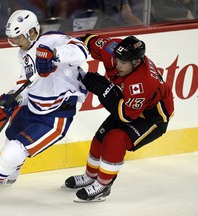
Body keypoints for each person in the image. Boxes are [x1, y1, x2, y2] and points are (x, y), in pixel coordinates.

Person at [0, 9, 89, 206]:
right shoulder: (23, 54)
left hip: (55, 116)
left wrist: (54, 54)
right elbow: (27, 86)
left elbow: (82, 51)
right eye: (12, 39)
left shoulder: (52, 39)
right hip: (33, 109)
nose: (15, 42)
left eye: (18, 37)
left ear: (31, 32)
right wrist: (9, 102)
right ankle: (10, 175)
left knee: (14, 151)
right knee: (11, 137)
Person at [63, 34, 174, 202]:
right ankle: (90, 176)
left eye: (123, 63)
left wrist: (104, 91)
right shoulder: (113, 50)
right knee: (100, 137)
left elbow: (126, 116)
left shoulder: (143, 82)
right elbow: (86, 40)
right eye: (117, 59)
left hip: (153, 118)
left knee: (115, 139)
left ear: (136, 62)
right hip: (128, 105)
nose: (117, 65)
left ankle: (103, 185)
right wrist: (59, 49)